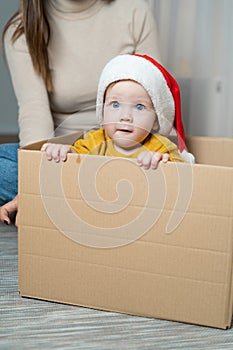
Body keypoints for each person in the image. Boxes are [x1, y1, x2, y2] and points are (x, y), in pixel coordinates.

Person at [0, 0, 162, 225]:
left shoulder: (134, 10)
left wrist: (151, 157)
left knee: (157, 170)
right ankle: (89, 201)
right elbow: (34, 112)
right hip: (62, 156)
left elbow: (157, 95)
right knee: (4, 165)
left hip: (125, 150)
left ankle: (73, 201)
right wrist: (34, 183)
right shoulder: (20, 31)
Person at [41, 54, 187, 169]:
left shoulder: (160, 147)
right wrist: (64, 152)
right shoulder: (95, 141)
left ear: (156, 120)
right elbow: (76, 157)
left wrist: (164, 163)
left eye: (139, 107)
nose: (125, 117)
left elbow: (184, 171)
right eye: (115, 104)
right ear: (102, 111)